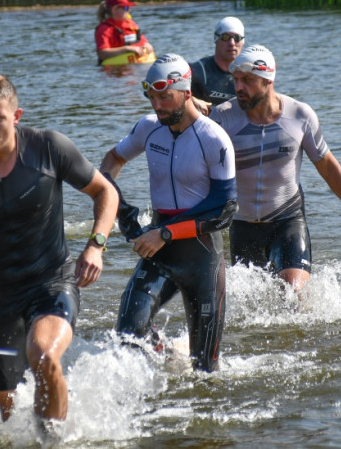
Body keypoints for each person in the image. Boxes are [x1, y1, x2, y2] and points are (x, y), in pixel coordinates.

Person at [0, 73, 118, 422]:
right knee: (8, 416)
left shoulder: (48, 148)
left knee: (44, 356)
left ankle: (54, 442)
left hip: (50, 281)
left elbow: (106, 191)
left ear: (17, 116)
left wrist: (95, 246)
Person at [99, 54, 237, 372]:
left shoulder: (214, 139)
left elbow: (224, 210)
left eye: (165, 97)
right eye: (152, 97)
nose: (157, 105)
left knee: (205, 372)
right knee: (128, 334)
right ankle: (163, 357)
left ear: (186, 92)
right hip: (160, 250)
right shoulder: (149, 128)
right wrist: (120, 210)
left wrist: (165, 233)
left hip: (202, 253)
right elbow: (110, 163)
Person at [209, 44, 341, 292]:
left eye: (248, 80)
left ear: (268, 80)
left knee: (294, 295)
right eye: (236, 79)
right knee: (255, 307)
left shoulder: (300, 116)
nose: (238, 87)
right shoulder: (222, 118)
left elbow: (327, 166)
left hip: (287, 219)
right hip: (242, 225)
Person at [190, 16, 245, 112]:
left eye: (237, 38)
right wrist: (191, 100)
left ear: (242, 41)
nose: (231, 43)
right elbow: (168, 86)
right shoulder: (199, 70)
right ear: (216, 39)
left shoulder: (248, 74)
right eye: (225, 37)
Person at [94, 0, 154, 64]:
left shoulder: (131, 24)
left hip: (136, 67)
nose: (129, 11)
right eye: (126, 8)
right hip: (114, 70)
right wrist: (127, 49)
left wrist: (147, 45)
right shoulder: (104, 29)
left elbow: (143, 41)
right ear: (114, 9)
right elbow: (102, 53)